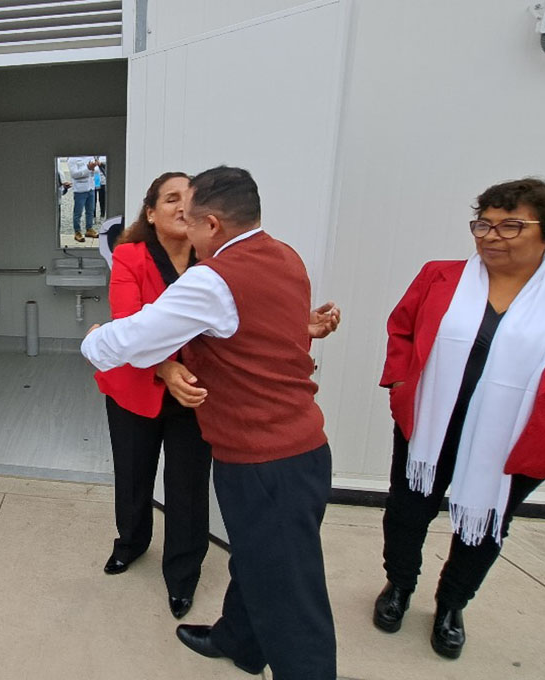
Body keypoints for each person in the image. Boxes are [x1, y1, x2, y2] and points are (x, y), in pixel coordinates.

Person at [81, 166, 341, 679]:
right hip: (300, 448)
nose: (187, 226)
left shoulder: (213, 277)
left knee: (294, 607)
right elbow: (259, 335)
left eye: (194, 219)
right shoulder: (284, 256)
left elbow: (129, 338)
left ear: (215, 225)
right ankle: (239, 639)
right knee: (254, 558)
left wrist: (94, 338)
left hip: (265, 459)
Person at [373, 177, 545, 660]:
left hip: (518, 440)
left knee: (487, 522)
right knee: (408, 510)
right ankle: (399, 586)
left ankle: (452, 605)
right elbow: (403, 330)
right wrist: (401, 387)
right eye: (483, 224)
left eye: (510, 225)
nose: (490, 236)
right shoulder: (440, 277)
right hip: (431, 425)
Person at [95, 172, 211, 622]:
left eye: (191, 199)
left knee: (187, 487)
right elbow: (126, 324)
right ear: (151, 213)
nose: (183, 206)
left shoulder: (214, 260)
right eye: (171, 199)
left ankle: (183, 575)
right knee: (133, 475)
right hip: (133, 388)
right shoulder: (130, 257)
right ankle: (131, 544)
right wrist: (164, 366)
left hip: (194, 395)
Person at [68, 156, 98, 242]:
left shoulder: (91, 156)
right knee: (78, 212)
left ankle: (89, 229)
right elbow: (74, 174)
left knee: (90, 211)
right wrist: (88, 168)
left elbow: (95, 172)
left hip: (91, 187)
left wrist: (94, 168)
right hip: (80, 189)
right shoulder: (72, 159)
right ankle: (77, 232)